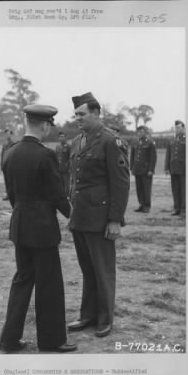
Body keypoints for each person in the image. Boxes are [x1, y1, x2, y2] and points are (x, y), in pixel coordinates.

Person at [0, 104, 77, 353]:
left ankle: (9, 341)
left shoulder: (10, 153)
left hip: (20, 225)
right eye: (49, 126)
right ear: (44, 125)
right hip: (42, 229)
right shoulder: (45, 155)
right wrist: (73, 216)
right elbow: (57, 195)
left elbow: (12, 195)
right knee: (50, 284)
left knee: (22, 280)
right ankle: (52, 341)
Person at [68, 92, 130, 338]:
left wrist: (115, 219)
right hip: (81, 217)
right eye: (75, 115)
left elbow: (121, 182)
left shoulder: (110, 141)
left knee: (103, 270)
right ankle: (88, 315)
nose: (77, 119)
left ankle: (105, 319)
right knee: (88, 269)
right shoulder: (77, 141)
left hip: (101, 218)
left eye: (81, 114)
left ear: (96, 113)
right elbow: (75, 179)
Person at [130, 125, 157, 213]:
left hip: (146, 170)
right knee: (139, 189)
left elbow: (153, 158)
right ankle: (141, 204)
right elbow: (132, 156)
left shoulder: (150, 143)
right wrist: (132, 168)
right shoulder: (135, 142)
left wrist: (151, 170)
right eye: (138, 132)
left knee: (146, 189)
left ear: (145, 133)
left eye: (141, 132)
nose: (139, 133)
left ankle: (147, 206)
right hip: (137, 170)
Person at [164, 120, 186, 216]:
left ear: (183, 128)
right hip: (173, 168)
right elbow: (168, 155)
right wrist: (166, 167)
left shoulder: (187, 139)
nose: (177, 129)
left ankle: (183, 209)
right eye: (176, 127)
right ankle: (176, 208)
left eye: (179, 127)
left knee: (184, 189)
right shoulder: (171, 140)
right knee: (175, 189)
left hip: (183, 169)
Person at [55, 132, 71, 196]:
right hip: (59, 168)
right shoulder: (57, 146)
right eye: (60, 137)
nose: (61, 138)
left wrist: (68, 166)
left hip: (66, 169)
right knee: (59, 184)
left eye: (62, 137)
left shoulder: (69, 146)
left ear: (65, 137)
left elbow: (70, 158)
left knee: (67, 184)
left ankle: (67, 197)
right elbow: (56, 157)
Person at [0, 129, 14, 200]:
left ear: (11, 135)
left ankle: (12, 194)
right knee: (6, 181)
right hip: (5, 165)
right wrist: (1, 164)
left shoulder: (13, 144)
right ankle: (8, 194)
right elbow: (2, 155)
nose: (7, 136)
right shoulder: (4, 145)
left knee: (11, 181)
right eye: (6, 134)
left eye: (8, 134)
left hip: (11, 165)